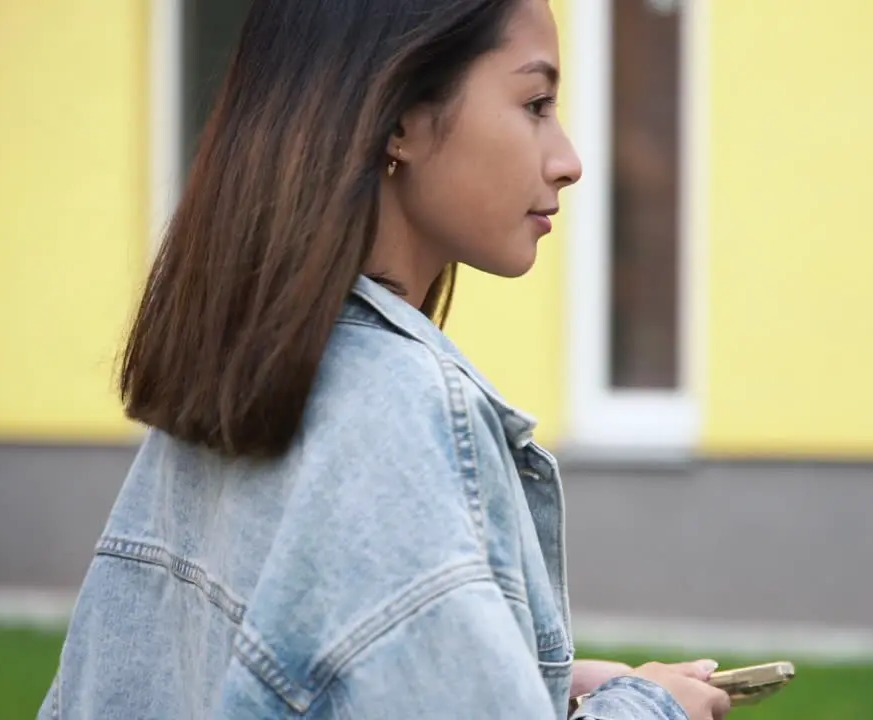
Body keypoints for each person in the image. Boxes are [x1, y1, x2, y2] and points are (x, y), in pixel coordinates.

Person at [39, 1, 731, 718]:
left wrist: (514, 675)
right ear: (398, 117)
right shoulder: (404, 413)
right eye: (534, 103)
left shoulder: (236, 386)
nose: (569, 160)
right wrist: (651, 708)